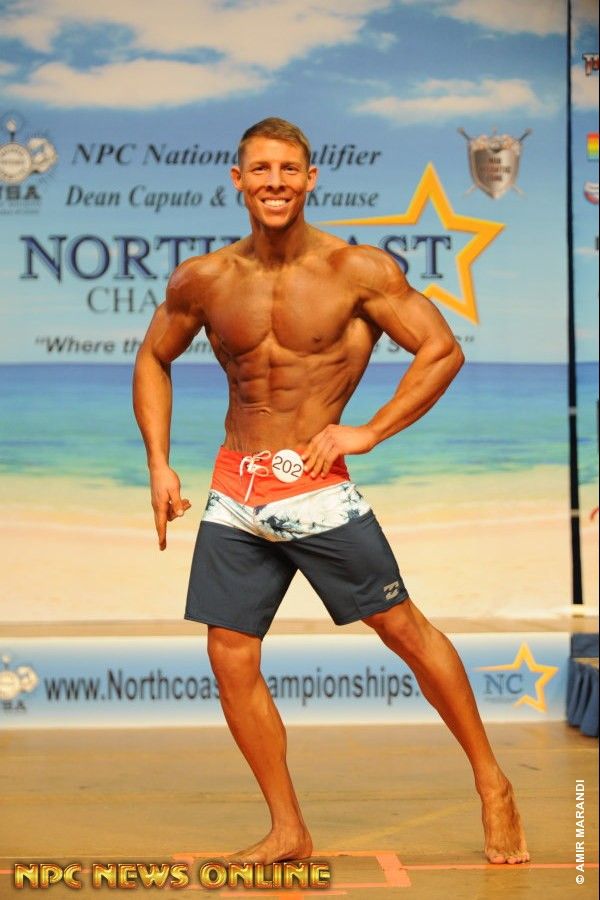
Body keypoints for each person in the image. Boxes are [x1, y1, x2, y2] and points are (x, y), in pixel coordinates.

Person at [132, 117, 529, 866]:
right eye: (260, 169)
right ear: (238, 180)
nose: (275, 182)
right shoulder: (204, 279)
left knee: (403, 630)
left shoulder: (356, 270)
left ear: (310, 179)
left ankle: (491, 781)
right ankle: (288, 828)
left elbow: (441, 350)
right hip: (236, 486)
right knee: (229, 655)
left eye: (289, 169)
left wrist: (370, 431)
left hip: (315, 488)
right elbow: (154, 358)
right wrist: (158, 462)